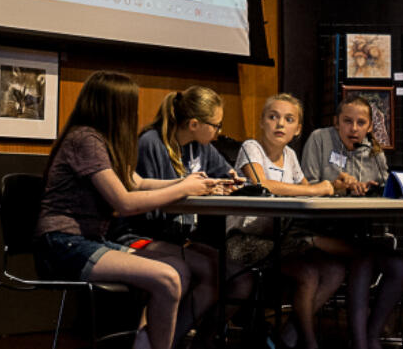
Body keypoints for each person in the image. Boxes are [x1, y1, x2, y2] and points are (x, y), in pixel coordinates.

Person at [33, 71, 227, 349]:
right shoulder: (85, 140)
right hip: (63, 244)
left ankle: (145, 343)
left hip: (89, 241)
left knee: (179, 271)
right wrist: (184, 189)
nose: (134, 114)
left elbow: (137, 182)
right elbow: (124, 201)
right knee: (169, 278)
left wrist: (189, 182)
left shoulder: (101, 141)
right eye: (130, 107)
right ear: (114, 107)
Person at [229, 93, 344, 349]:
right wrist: (317, 190)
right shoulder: (251, 147)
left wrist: (332, 187)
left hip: (280, 238)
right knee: (309, 273)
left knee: (336, 270)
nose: (280, 124)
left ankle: (287, 336)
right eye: (273, 117)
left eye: (288, 119)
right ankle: (308, 343)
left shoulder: (290, 155)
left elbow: (306, 188)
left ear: (298, 129)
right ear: (261, 122)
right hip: (244, 240)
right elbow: (264, 184)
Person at [300, 96, 403, 349]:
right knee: (363, 259)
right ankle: (361, 342)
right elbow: (305, 185)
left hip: (361, 231)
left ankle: (372, 335)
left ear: (370, 126)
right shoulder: (319, 139)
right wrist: (340, 189)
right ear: (336, 121)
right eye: (347, 121)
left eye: (361, 123)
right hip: (321, 231)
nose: (354, 128)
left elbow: (386, 192)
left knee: (400, 266)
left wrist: (373, 190)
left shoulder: (375, 152)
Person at [133, 86, 241, 242]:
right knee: (206, 265)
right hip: (147, 235)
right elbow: (146, 207)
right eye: (216, 125)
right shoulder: (150, 143)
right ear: (194, 125)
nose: (219, 131)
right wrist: (200, 191)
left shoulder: (203, 147)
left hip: (183, 237)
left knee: (222, 263)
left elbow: (227, 175)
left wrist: (231, 184)